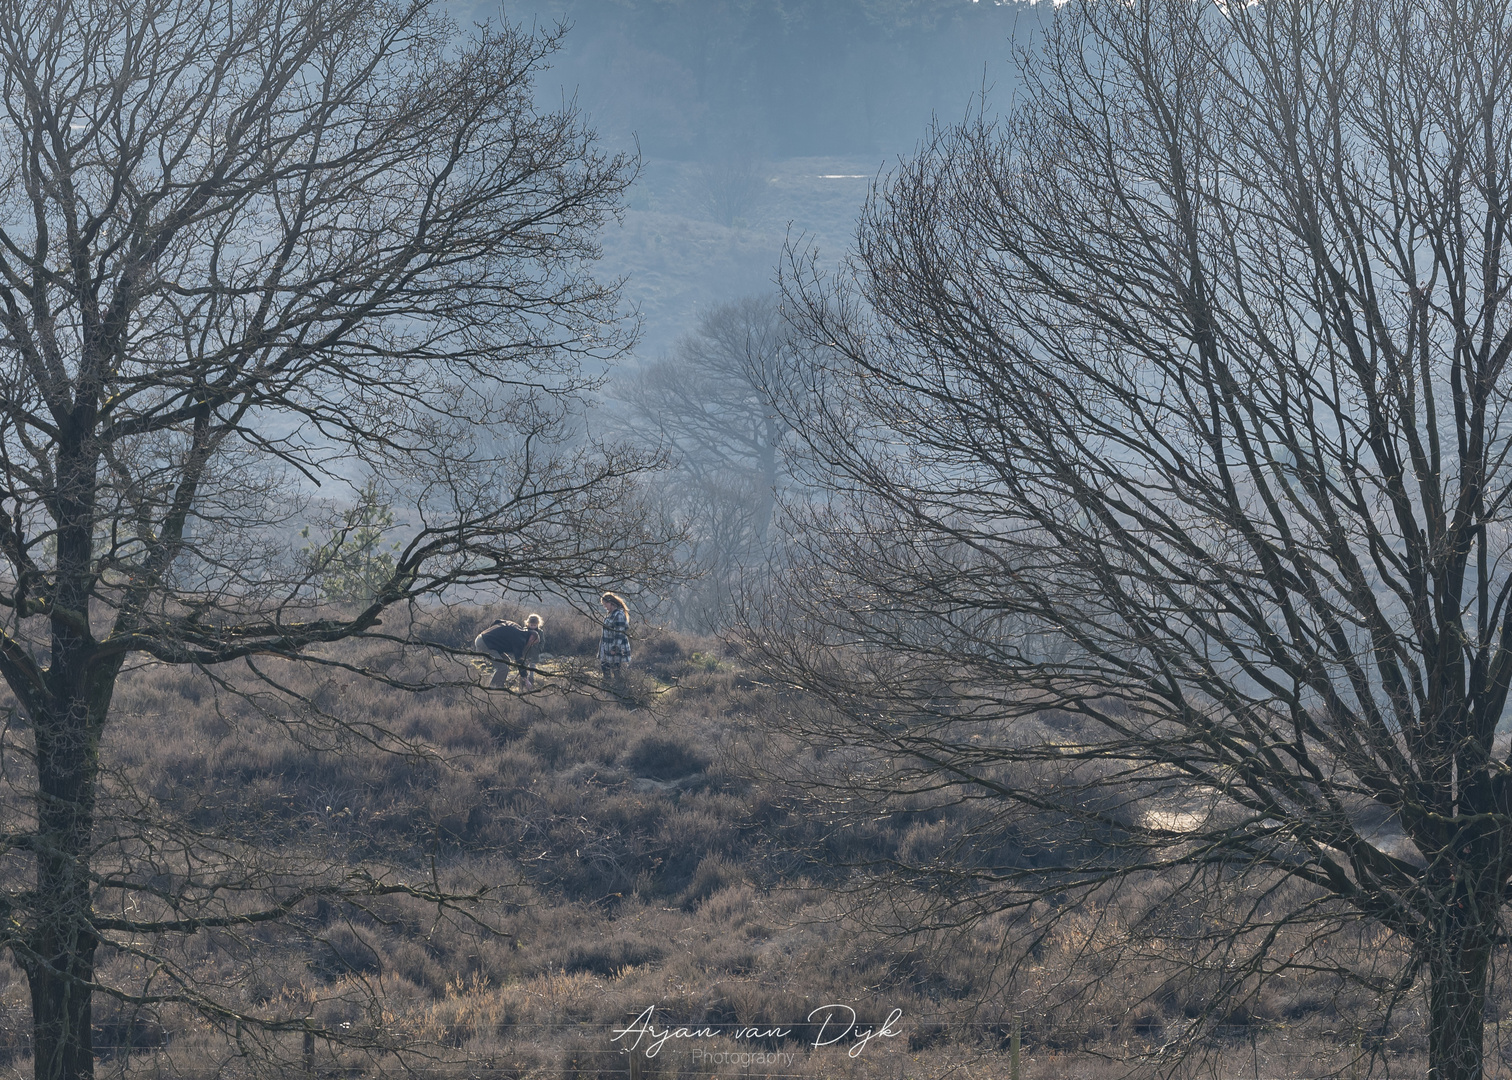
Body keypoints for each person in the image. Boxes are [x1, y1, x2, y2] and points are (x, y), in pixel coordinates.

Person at [473, 614, 543, 689]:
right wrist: (526, 680)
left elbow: (497, 621)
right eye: (532, 643)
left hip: (485, 639)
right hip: (485, 643)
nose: (530, 645)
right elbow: (519, 660)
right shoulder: (520, 640)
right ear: (532, 638)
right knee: (503, 668)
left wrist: (492, 633)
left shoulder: (517, 627)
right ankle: (494, 688)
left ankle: (496, 682)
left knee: (506, 661)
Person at [598, 592, 631, 684]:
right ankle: (607, 689)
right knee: (605, 669)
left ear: (611, 603)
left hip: (616, 650)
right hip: (606, 648)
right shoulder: (610, 615)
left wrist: (615, 648)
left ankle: (619, 691)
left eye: (605, 604)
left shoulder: (619, 615)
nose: (605, 606)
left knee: (617, 672)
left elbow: (619, 634)